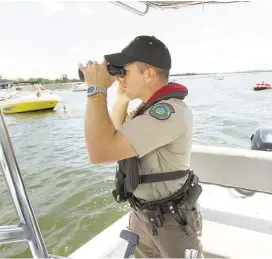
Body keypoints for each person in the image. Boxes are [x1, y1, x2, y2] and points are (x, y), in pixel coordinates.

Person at [78, 35, 203, 258]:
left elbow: (101, 151)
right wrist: (122, 97)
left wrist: (97, 90)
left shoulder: (169, 112)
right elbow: (114, 133)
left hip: (172, 221)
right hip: (143, 213)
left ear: (149, 74)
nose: (120, 77)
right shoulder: (146, 109)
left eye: (124, 71)